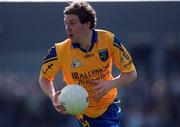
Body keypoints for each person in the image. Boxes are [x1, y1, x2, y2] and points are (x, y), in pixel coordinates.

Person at [39, 1, 137, 127]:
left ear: (87, 24)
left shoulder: (108, 40)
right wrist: (53, 96)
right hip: (81, 110)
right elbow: (44, 78)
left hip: (109, 107)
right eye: (66, 23)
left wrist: (111, 83)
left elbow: (131, 73)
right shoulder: (59, 50)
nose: (67, 28)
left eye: (72, 23)